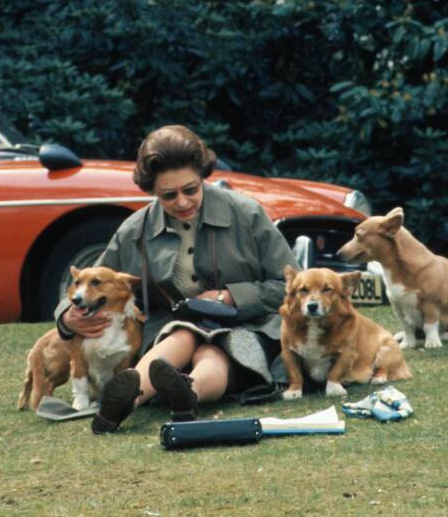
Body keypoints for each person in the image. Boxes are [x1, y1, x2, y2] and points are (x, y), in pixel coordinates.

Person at [56, 124, 298, 433]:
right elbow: (86, 283)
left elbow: (293, 287)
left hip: (246, 325)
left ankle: (183, 394)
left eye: (191, 190)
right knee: (183, 335)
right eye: (169, 195)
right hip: (170, 331)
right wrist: (68, 319)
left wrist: (231, 297)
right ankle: (126, 403)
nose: (182, 202)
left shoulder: (247, 214)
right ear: (152, 191)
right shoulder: (134, 230)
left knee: (213, 350)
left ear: (203, 177)